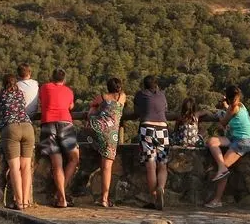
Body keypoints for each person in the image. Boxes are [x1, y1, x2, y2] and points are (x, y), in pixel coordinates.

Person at [205, 85, 250, 208]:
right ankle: (221, 167)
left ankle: (217, 200)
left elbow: (223, 122)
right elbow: (231, 112)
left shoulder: (233, 108)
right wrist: (225, 106)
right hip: (234, 137)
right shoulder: (240, 105)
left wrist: (219, 113)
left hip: (243, 141)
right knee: (212, 141)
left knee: (225, 169)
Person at [0, 73, 35, 209]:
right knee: (26, 167)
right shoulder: (21, 93)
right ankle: (27, 200)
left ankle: (19, 202)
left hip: (11, 128)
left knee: (15, 168)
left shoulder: (2, 93)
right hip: (28, 127)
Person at [39, 68, 79, 208]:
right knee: (74, 158)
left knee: (57, 165)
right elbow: (71, 106)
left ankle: (61, 198)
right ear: (64, 79)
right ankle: (59, 193)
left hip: (48, 123)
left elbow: (41, 101)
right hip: (66, 123)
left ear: (52, 77)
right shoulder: (69, 91)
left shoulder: (44, 87)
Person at [86, 77, 126, 208]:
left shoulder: (103, 97)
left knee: (102, 162)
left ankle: (95, 147)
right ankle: (104, 198)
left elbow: (92, 106)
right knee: (107, 167)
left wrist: (93, 112)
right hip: (112, 135)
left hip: (98, 129)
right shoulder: (122, 97)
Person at [134, 75, 169, 210]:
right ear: (156, 85)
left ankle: (154, 199)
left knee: (151, 165)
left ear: (144, 85)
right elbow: (164, 110)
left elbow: (137, 112)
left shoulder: (140, 94)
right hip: (162, 129)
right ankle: (161, 188)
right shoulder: (162, 95)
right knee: (163, 164)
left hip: (147, 128)